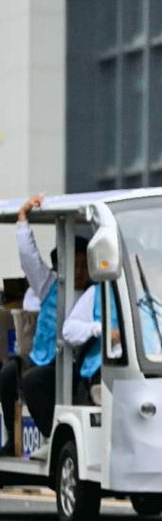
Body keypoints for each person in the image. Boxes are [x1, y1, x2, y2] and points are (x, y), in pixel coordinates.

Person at [0, 195, 95, 457]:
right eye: (72, 265)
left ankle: (50, 438)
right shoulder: (49, 285)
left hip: (72, 364)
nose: (77, 271)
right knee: (8, 374)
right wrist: (22, 222)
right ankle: (12, 437)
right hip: (40, 358)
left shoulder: (94, 293)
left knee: (33, 383)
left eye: (82, 265)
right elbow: (29, 259)